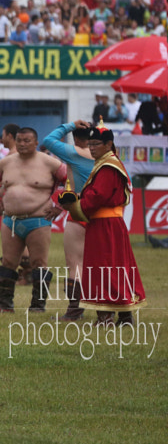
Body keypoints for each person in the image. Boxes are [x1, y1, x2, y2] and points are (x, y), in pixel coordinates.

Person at [59, 123, 146, 326]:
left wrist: (74, 204)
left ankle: (105, 317)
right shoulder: (106, 163)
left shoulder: (108, 166)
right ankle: (124, 316)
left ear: (108, 144)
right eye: (90, 144)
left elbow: (98, 197)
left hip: (105, 224)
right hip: (105, 224)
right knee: (115, 268)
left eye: (96, 144)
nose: (91, 148)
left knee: (102, 269)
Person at [0, 127, 67, 313]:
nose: (22, 144)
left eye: (27, 140)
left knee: (39, 263)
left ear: (36, 143)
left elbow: (71, 182)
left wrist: (60, 206)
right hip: (10, 221)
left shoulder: (51, 163)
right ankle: (5, 305)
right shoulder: (5, 163)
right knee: (8, 262)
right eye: (20, 140)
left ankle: (38, 306)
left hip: (38, 220)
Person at [40, 120, 93, 321]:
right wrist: (61, 206)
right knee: (105, 264)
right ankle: (112, 313)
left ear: (76, 138)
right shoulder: (110, 157)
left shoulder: (74, 152)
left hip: (79, 212)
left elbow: (48, 140)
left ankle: (74, 311)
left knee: (75, 264)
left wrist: (69, 125)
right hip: (103, 214)